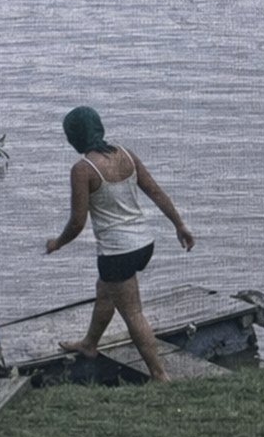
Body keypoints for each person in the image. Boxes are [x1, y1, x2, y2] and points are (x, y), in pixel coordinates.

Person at [46, 106, 195, 382]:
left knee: (133, 313)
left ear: (74, 137)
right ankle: (89, 344)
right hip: (143, 243)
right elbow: (155, 191)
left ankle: (160, 375)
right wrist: (179, 224)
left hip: (117, 252)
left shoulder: (82, 170)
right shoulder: (126, 154)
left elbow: (77, 222)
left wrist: (57, 243)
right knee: (106, 291)